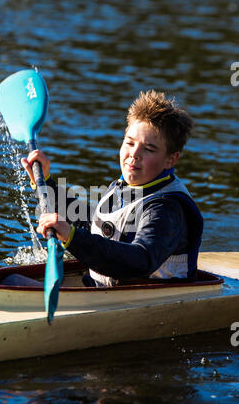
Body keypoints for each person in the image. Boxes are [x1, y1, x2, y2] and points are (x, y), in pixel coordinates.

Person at [21, 90, 203, 287]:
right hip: (107, 291)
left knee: (14, 282)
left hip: (145, 300)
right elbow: (94, 227)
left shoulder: (166, 209)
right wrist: (46, 183)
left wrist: (71, 237)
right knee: (9, 280)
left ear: (170, 159)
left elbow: (140, 261)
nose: (134, 154)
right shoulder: (124, 187)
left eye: (149, 149)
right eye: (129, 143)